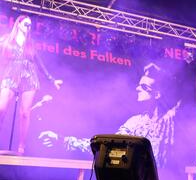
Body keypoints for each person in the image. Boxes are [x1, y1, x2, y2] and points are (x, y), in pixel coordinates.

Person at [39, 62, 180, 167]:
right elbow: (106, 147)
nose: (137, 88)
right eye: (138, 85)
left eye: (143, 87)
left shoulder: (171, 119)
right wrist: (64, 140)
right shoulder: (134, 123)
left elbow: (183, 97)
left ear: (157, 94)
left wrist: (164, 73)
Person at [0, 14, 62, 154]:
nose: (28, 27)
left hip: (29, 76)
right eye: (26, 24)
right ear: (18, 24)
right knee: (1, 108)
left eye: (30, 25)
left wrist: (51, 79)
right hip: (11, 74)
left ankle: (21, 147)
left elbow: (39, 63)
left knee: (25, 113)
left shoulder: (30, 43)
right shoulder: (7, 40)